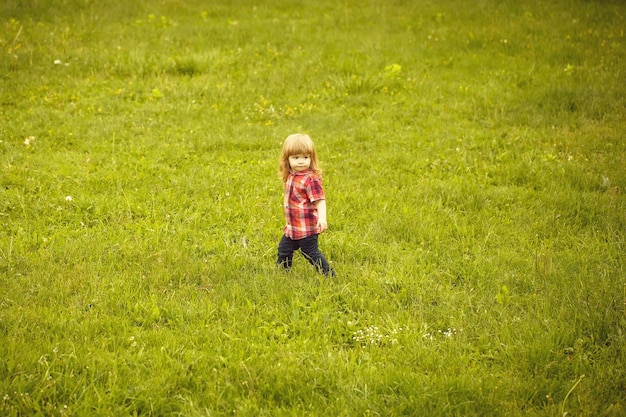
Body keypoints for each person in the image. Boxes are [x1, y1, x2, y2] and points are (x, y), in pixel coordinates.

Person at [277, 133, 336, 277]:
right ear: (287, 159)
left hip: (307, 227)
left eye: (305, 157)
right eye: (296, 158)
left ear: (311, 158)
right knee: (284, 249)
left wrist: (322, 218)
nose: (301, 162)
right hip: (293, 227)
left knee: (310, 253)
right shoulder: (291, 175)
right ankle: (283, 274)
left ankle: (329, 275)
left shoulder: (311, 180)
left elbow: (320, 200)